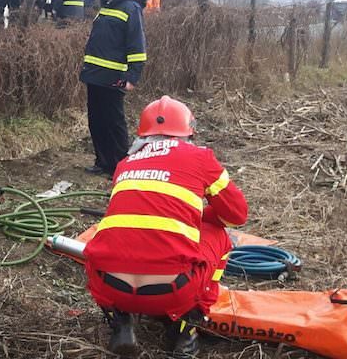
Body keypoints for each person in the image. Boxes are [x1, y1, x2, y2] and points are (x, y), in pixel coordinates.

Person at [84, 96, 248, 357]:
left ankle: (121, 321)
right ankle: (186, 329)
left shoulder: (124, 164)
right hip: (173, 292)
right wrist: (197, 213)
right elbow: (237, 214)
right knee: (220, 236)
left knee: (114, 236)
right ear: (187, 131)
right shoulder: (200, 157)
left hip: (110, 287)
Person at [81, 0, 147, 178]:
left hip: (114, 76)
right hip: (95, 75)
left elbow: (137, 46)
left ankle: (120, 166)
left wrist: (132, 76)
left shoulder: (131, 9)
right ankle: (103, 161)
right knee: (96, 120)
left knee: (113, 122)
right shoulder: (108, 5)